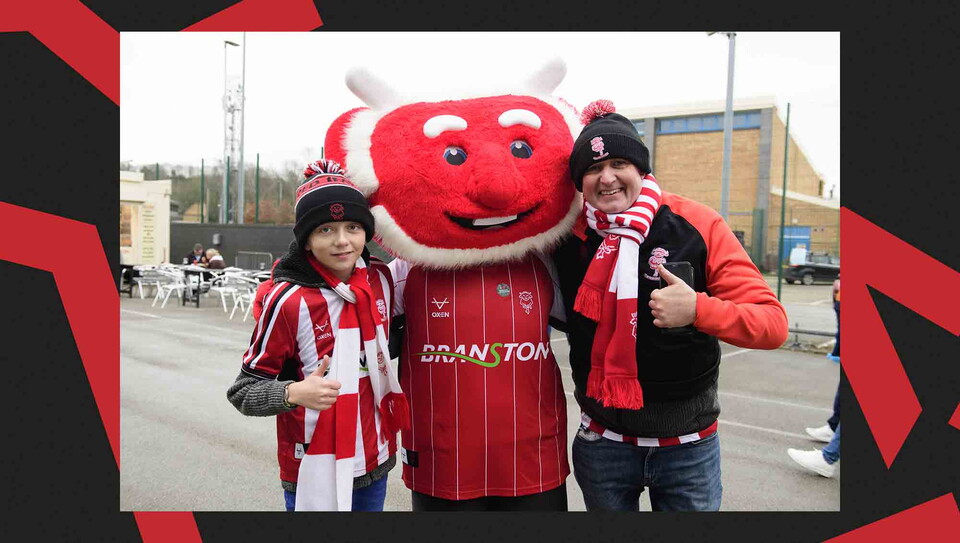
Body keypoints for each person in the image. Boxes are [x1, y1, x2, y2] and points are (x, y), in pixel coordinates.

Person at [552, 101, 789, 511]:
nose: (606, 178)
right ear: (579, 181)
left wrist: (698, 310)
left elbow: (772, 325)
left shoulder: (697, 223)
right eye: (592, 168)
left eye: (619, 163)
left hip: (688, 450)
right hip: (602, 445)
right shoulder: (565, 235)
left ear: (642, 169)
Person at [226, 159, 408, 511]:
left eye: (353, 227)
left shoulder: (381, 280)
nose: (342, 241)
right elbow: (242, 391)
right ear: (306, 241)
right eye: (325, 229)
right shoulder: (288, 300)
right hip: (312, 466)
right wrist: (292, 392)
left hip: (375, 459)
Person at [827, 278, 840, 363]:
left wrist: (834, 303)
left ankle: (836, 353)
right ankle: (836, 353)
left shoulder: (838, 282)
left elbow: (834, 293)